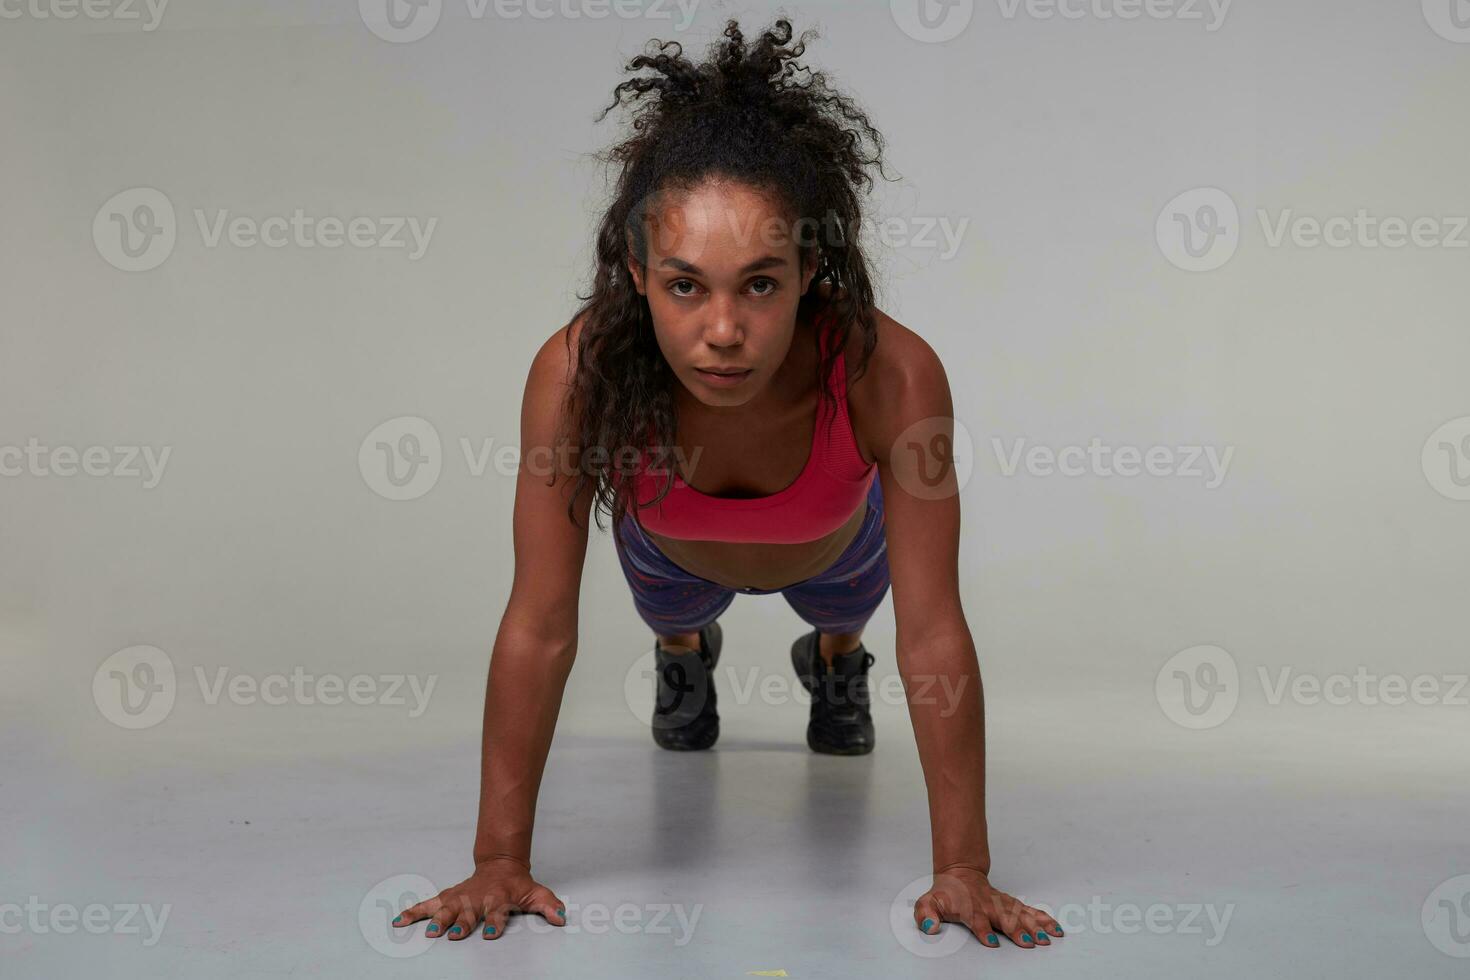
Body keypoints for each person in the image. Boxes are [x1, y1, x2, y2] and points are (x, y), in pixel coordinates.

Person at [393, 17, 1063, 952]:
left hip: (840, 550)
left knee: (847, 613)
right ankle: (683, 657)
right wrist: (499, 857)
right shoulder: (575, 374)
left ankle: (835, 665)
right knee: (676, 611)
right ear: (636, 274)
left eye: (757, 285)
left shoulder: (892, 373)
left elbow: (937, 626)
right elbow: (540, 621)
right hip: (669, 559)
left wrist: (965, 869)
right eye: (684, 286)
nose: (721, 330)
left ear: (809, 272)